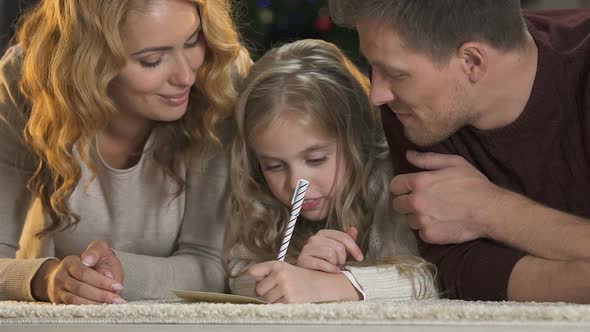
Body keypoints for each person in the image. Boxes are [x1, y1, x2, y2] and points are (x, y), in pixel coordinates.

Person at [329, 0, 590, 303]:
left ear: (472, 62)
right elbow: (458, 272)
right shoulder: (412, 113)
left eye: (396, 74)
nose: (377, 95)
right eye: (374, 67)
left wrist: (488, 209)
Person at [0, 0, 251, 304]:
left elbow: (211, 263)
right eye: (153, 60)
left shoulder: (219, 76)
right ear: (89, 59)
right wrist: (45, 278)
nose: (186, 76)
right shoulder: (30, 80)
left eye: (192, 41)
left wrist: (120, 275)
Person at [224, 39, 437, 304]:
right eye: (274, 166)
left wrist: (331, 284)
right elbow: (239, 275)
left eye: (315, 159)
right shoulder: (261, 200)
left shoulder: (390, 185)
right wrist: (294, 275)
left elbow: (426, 278)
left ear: (354, 141)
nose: (295, 183)